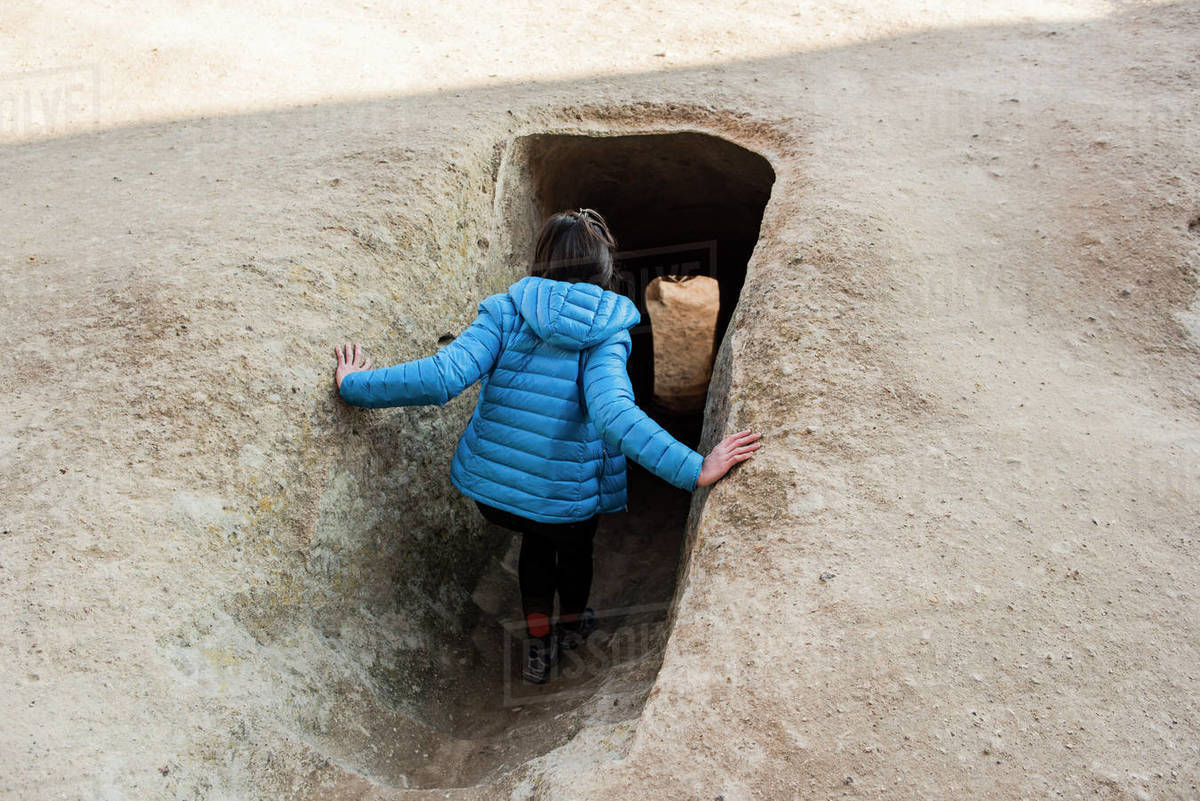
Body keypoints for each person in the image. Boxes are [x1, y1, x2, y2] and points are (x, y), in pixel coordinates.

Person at [333, 208, 762, 684]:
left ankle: (538, 645)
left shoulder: (505, 310)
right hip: (566, 497)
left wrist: (354, 384)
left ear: (541, 260)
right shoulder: (607, 332)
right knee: (573, 550)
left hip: (496, 493)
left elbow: (441, 378)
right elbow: (613, 414)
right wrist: (696, 468)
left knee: (535, 546)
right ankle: (572, 627)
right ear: (605, 268)